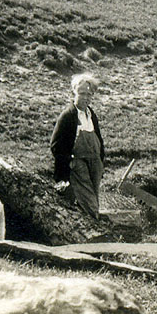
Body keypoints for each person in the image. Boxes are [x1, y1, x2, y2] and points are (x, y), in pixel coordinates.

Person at [50, 73, 105, 216]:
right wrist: (70, 161)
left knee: (94, 197)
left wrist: (100, 161)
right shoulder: (68, 116)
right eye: (82, 94)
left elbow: (99, 140)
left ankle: (91, 221)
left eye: (89, 94)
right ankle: (95, 223)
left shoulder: (91, 115)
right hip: (78, 164)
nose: (86, 97)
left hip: (94, 163)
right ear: (74, 92)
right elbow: (55, 145)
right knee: (89, 201)